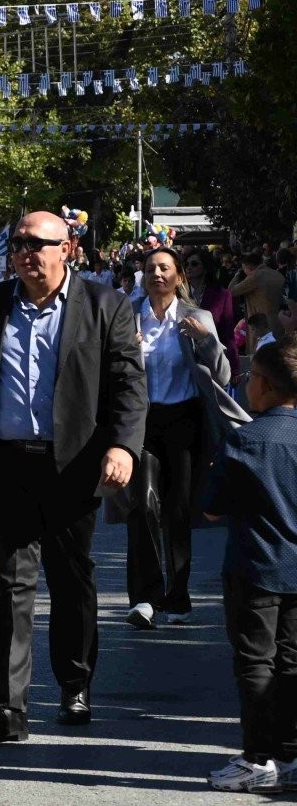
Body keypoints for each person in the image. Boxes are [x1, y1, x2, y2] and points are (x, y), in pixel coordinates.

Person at [0, 211, 147, 742]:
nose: (26, 253)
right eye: (18, 245)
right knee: (10, 584)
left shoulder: (106, 305)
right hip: (6, 464)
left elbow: (128, 384)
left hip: (73, 466)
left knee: (71, 578)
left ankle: (75, 685)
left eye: (38, 244)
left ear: (68, 248)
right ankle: (9, 709)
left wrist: (123, 446)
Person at [204, 338, 297, 793]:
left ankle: (258, 757)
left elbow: (213, 507)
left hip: (256, 564)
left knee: (255, 662)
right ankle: (290, 754)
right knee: (293, 661)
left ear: (265, 385)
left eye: (249, 377)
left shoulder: (244, 439)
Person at [124, 245, 233, 631]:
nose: (157, 275)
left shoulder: (196, 316)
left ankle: (178, 595)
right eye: (151, 268)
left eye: (165, 268)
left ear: (178, 277)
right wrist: (128, 350)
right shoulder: (130, 316)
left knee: (177, 511)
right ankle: (145, 598)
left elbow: (222, 376)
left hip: (185, 421)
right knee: (142, 505)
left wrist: (206, 340)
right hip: (143, 423)